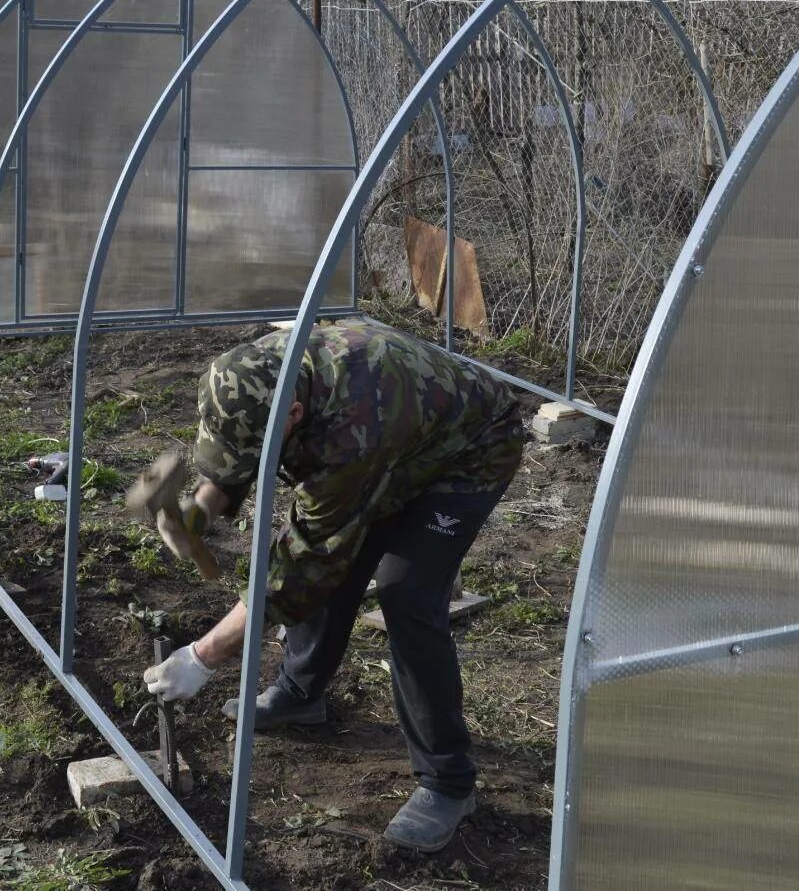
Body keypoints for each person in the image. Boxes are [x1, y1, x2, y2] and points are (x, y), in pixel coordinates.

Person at [140, 318, 526, 852]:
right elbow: (240, 454)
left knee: (406, 594)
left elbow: (305, 561)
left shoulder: (351, 431)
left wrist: (204, 656)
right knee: (334, 560)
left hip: (470, 451)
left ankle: (448, 782)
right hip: (401, 435)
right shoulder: (254, 373)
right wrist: (199, 514)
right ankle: (301, 694)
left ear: (295, 415)